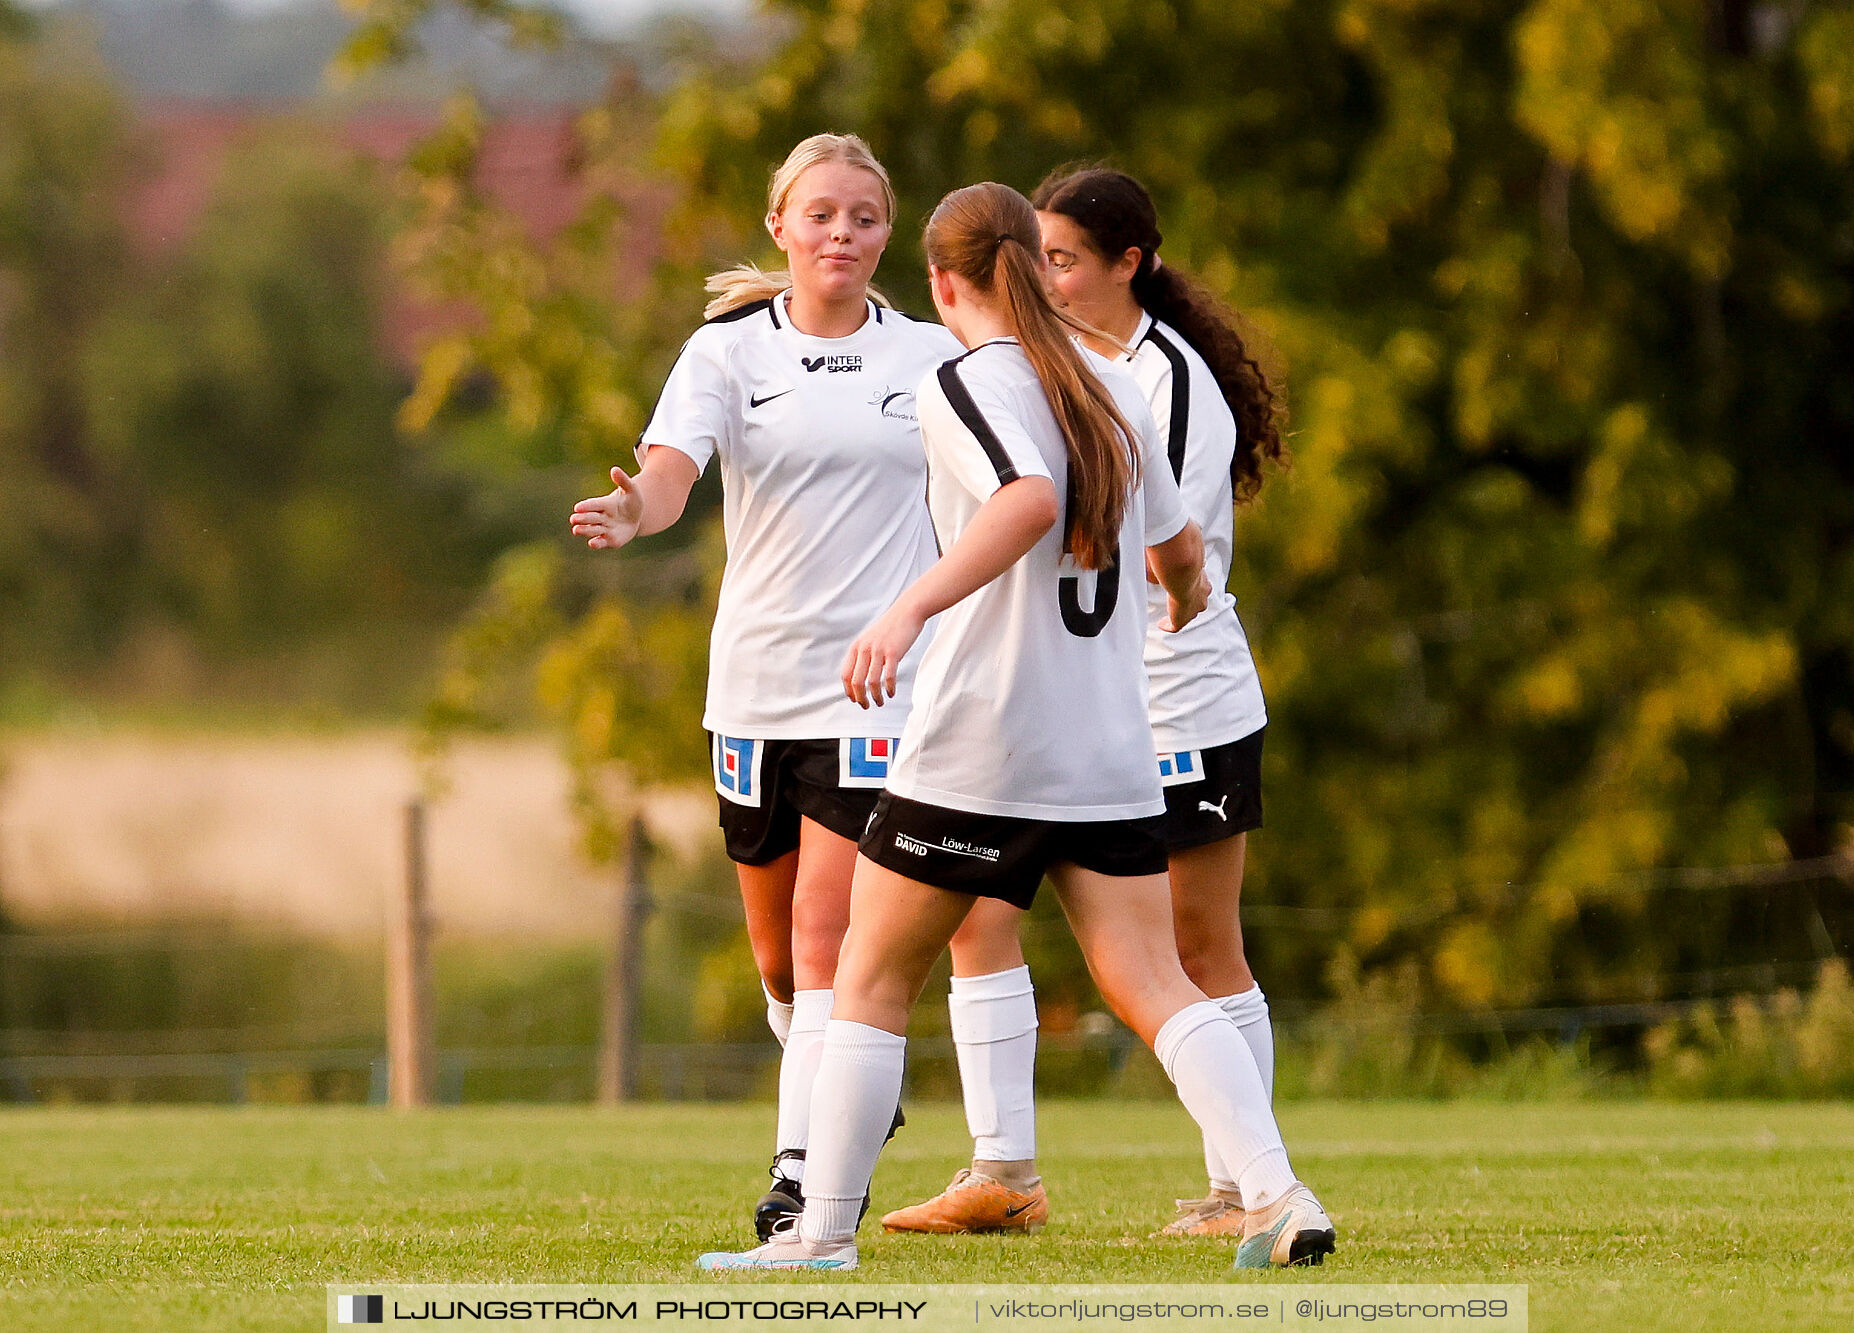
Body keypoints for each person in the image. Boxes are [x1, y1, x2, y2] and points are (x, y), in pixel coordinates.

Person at [697, 181, 1333, 1272]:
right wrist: (1184, 605)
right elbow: (1180, 553)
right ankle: (1277, 1192)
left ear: (944, 284)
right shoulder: (1111, 385)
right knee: (1154, 978)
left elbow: (1027, 499)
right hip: (1108, 752)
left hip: (984, 747)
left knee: (869, 973)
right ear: (1036, 267)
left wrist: (907, 607)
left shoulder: (962, 382)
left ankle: (821, 1236)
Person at [880, 166, 1292, 1241]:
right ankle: (1002, 1168)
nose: (1046, 277)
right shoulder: (1064, 373)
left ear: (1130, 263)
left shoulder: (1164, 382)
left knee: (1196, 950)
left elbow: (1171, 559)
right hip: (1073, 709)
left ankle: (1247, 1190)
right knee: (979, 917)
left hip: (1176, 701)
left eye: (1066, 258)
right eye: (1037, 255)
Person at [569, 132, 960, 1241]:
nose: (844, 233)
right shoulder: (725, 355)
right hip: (752, 690)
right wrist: (635, 510)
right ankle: (850, 1099)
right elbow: (670, 474)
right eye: (823, 214)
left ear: (889, 233)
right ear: (782, 226)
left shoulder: (929, 358)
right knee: (783, 967)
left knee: (831, 936)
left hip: (878, 687)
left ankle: (801, 1175)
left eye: (866, 217)